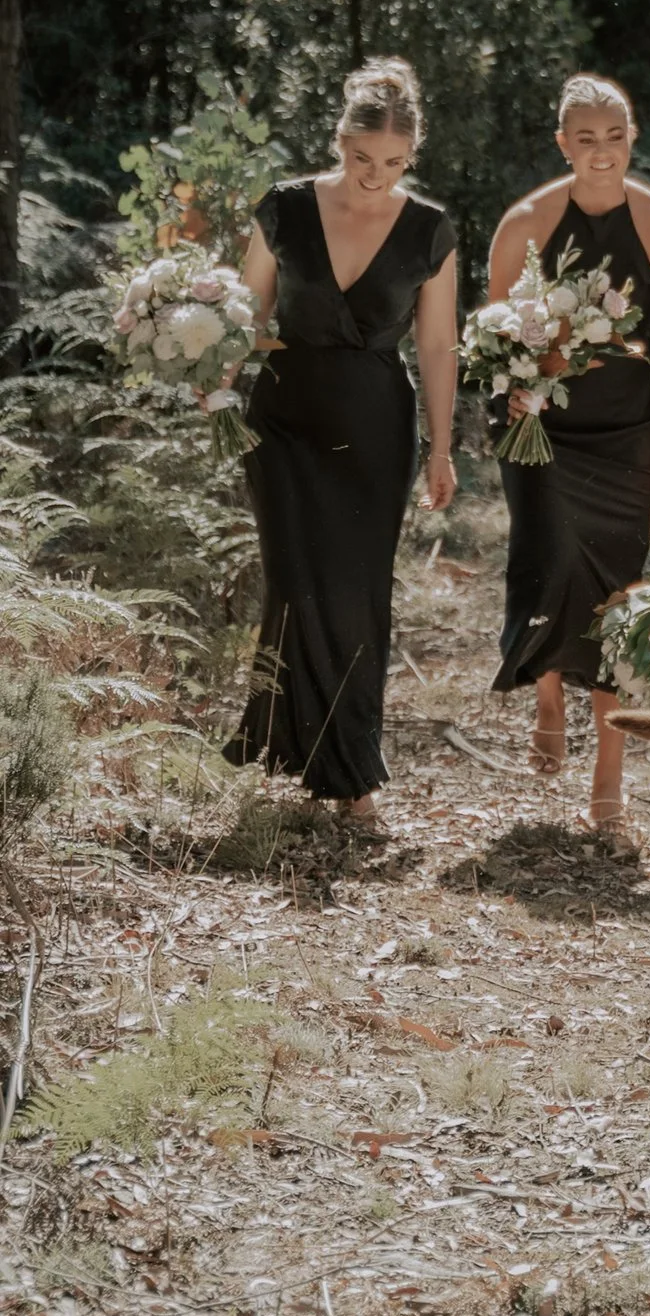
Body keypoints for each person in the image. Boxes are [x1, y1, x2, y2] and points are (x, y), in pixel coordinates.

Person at [228, 58, 458, 818]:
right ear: (339, 140)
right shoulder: (284, 208)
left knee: (358, 593)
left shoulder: (429, 229)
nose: (375, 175)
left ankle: (351, 771)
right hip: (285, 419)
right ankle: (293, 753)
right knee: (294, 584)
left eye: (393, 163)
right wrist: (213, 374)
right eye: (363, 158)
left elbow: (437, 346)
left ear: (412, 155)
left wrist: (442, 448)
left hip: (374, 427)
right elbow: (245, 312)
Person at [487, 75, 650, 833]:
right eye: (585, 138)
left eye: (614, 136)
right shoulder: (525, 223)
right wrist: (515, 388)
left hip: (624, 429)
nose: (601, 151)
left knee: (618, 587)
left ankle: (609, 766)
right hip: (541, 426)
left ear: (632, 137)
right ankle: (548, 686)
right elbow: (494, 334)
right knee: (546, 560)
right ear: (563, 143)